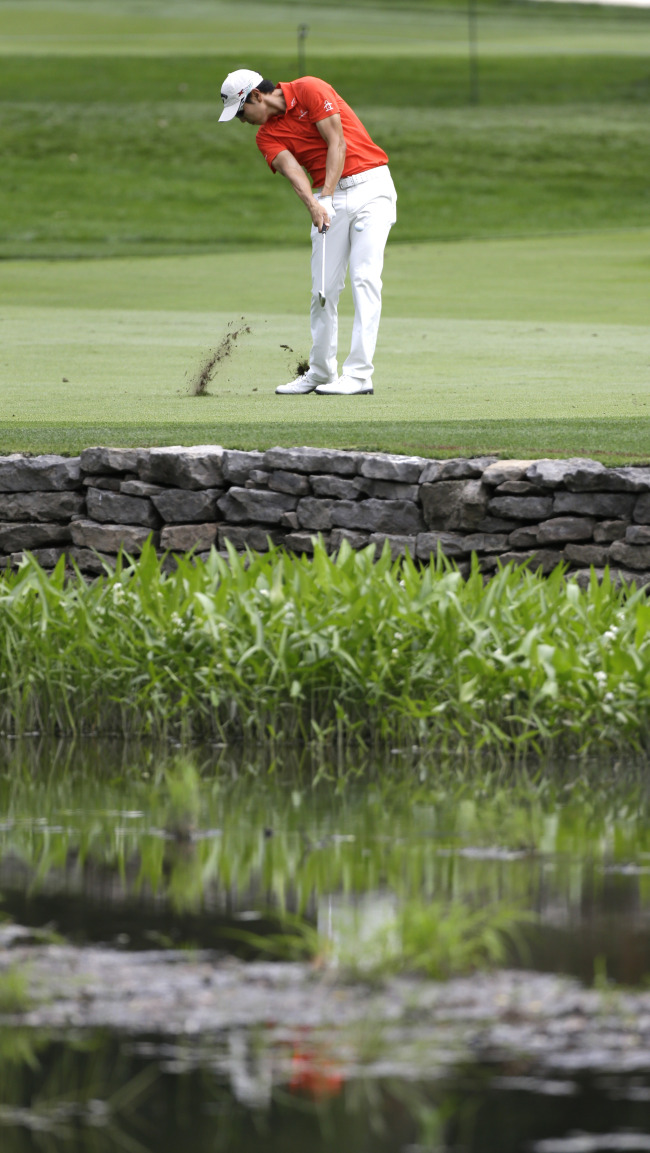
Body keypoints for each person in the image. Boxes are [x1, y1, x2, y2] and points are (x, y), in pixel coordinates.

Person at [219, 68, 397, 396]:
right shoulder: (266, 136)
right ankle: (322, 372)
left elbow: (337, 143)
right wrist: (316, 205)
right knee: (322, 289)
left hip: (371, 186)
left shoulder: (310, 89)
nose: (243, 121)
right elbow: (294, 172)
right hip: (328, 198)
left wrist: (325, 196)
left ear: (256, 95)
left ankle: (359, 375)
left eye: (242, 113)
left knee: (364, 278)